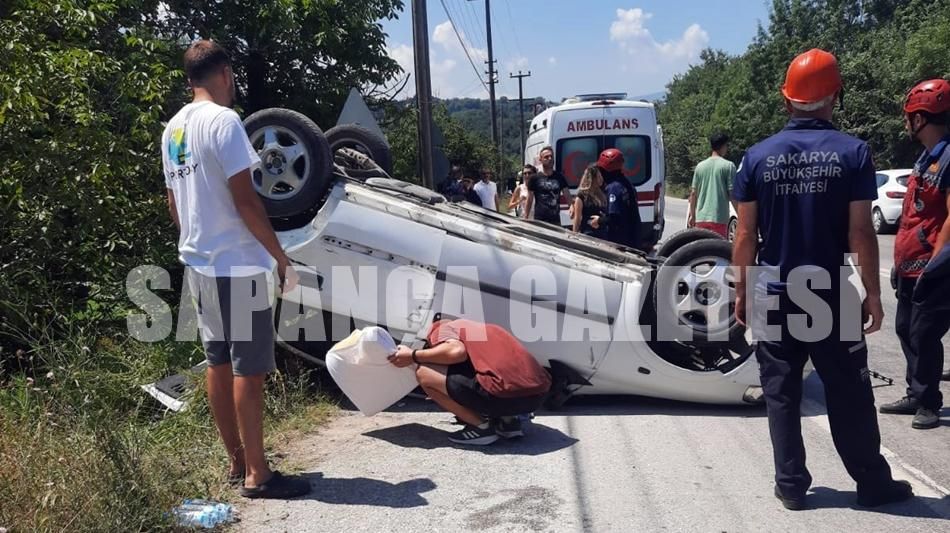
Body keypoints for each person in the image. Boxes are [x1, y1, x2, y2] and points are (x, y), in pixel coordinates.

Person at [731, 48, 913, 511]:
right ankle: (872, 483)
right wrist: (872, 294)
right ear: (835, 95)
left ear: (785, 98)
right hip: (829, 292)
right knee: (849, 391)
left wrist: (741, 292)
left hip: (773, 290)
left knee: (781, 391)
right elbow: (859, 231)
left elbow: (747, 233)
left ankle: (791, 484)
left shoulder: (756, 157)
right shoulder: (853, 152)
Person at [162, 40, 311, 498]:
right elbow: (247, 200)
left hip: (198, 262)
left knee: (218, 361)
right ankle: (258, 474)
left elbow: (174, 206)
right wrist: (280, 258)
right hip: (238, 266)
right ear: (225, 73)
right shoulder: (224, 122)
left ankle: (236, 460)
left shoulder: (173, 130)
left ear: (191, 78)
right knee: (249, 368)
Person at [879, 78, 950, 430]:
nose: (906, 123)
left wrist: (934, 265)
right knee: (906, 328)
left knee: (925, 334)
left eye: (909, 116)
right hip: (910, 264)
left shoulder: (949, 157)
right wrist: (900, 263)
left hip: (934, 268)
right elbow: (913, 216)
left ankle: (928, 401)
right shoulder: (926, 158)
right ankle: (915, 391)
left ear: (921, 118)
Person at [388, 319, 551, 445]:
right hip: (537, 396)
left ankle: (481, 428)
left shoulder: (443, 328)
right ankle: (509, 422)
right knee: (493, 375)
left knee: (424, 372)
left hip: (501, 396)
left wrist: (413, 355)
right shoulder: (491, 329)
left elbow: (456, 352)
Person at [688, 133, 737, 237]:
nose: (727, 149)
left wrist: (693, 215)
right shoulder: (729, 166)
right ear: (722, 146)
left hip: (701, 219)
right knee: (717, 251)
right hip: (719, 218)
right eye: (726, 146)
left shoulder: (699, 166)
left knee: (703, 251)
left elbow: (693, 194)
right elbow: (732, 194)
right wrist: (741, 214)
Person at [597, 148, 641, 249]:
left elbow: (615, 218)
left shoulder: (614, 187)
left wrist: (599, 221)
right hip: (632, 238)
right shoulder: (626, 183)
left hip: (620, 242)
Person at [524, 146, 570, 225]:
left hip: (555, 221)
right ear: (540, 160)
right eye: (546, 157)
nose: (550, 159)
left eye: (551, 156)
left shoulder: (560, 177)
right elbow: (529, 199)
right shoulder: (535, 178)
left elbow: (567, 196)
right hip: (540, 221)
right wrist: (525, 217)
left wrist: (572, 207)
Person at [571, 164, 607, 239]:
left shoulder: (602, 193)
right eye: (599, 177)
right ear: (592, 179)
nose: (601, 179)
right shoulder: (581, 196)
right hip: (588, 233)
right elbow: (577, 219)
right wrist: (574, 235)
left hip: (602, 233)